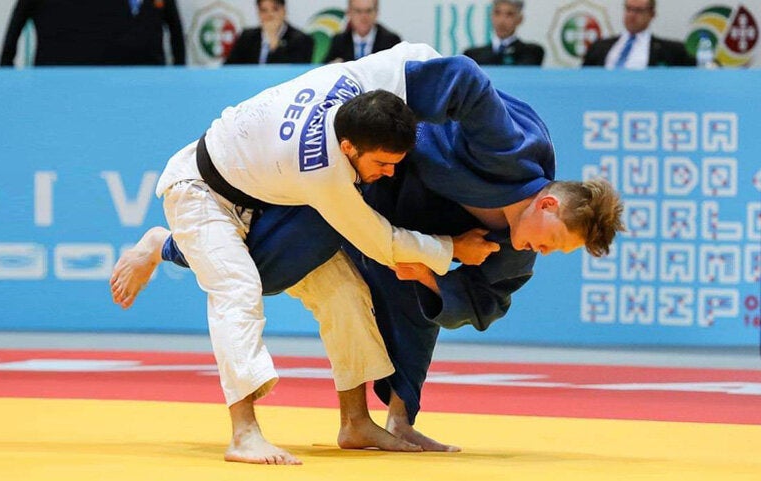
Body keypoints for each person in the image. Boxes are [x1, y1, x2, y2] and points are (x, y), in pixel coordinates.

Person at [112, 44, 625, 453]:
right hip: (313, 179)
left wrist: (430, 276)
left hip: (395, 208)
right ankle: (171, 250)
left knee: (387, 297)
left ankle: (385, 422)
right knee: (256, 277)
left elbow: (485, 302)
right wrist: (408, 108)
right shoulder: (512, 150)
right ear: (549, 205)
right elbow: (465, 79)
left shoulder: (511, 250)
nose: (546, 252)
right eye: (555, 242)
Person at [0, 0, 186, 67]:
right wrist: (6, 70)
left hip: (140, 76)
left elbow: (175, 30)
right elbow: (17, 22)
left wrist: (179, 74)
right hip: (54, 75)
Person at [582, 0, 694, 68]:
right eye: (629, 9)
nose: (632, 15)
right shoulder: (599, 47)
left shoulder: (672, 51)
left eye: (638, 10)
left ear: (652, 14)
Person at [225, 0, 313, 64]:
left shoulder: (302, 40)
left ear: (284, 11)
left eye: (275, 9)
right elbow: (229, 68)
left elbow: (296, 73)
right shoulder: (246, 37)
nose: (269, 15)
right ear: (258, 13)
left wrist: (274, 41)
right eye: (264, 10)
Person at [463, 0, 544, 66]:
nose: (502, 21)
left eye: (509, 14)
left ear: (520, 19)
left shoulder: (532, 52)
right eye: (497, 13)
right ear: (490, 16)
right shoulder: (472, 55)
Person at [323, 0, 401, 63]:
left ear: (376, 12)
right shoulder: (339, 41)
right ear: (349, 13)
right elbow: (325, 69)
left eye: (368, 11)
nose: (363, 17)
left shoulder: (391, 41)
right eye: (358, 11)